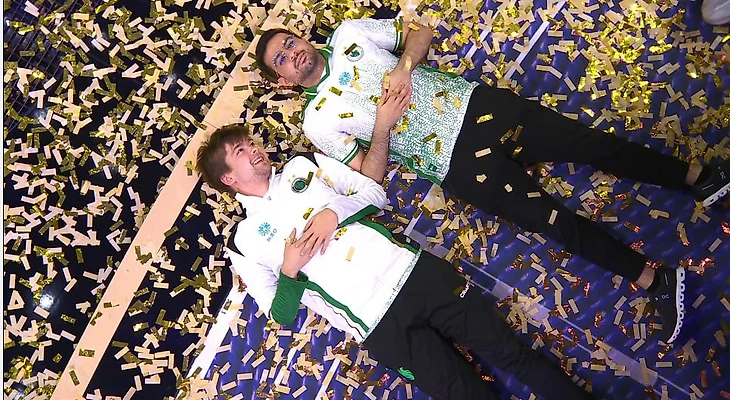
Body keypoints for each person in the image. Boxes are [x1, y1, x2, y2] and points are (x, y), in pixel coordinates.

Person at [254, 17, 730, 344]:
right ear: (283, 82)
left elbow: (419, 33)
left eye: (290, 43)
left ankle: (701, 178)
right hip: (455, 165)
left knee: (588, 145)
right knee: (551, 222)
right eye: (281, 59)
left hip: (479, 108)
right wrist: (382, 127)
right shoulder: (317, 123)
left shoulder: (350, 34)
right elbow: (368, 179)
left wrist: (404, 67)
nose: (293, 53)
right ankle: (656, 280)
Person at [195, 124, 593, 400]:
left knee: (513, 355)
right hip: (379, 327)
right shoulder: (244, 242)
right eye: (241, 151)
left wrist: (335, 212)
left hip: (416, 275)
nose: (254, 149)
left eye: (250, 142)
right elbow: (279, 313)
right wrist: (290, 269)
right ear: (228, 178)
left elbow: (374, 193)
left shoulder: (305, 166)